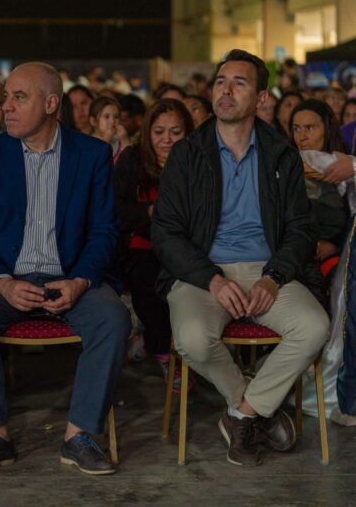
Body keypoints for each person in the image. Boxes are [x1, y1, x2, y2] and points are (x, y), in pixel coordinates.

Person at [0, 62, 130, 476]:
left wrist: (81, 281)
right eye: (4, 98)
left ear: (51, 103)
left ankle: (79, 435)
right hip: (7, 279)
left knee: (113, 316)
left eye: (18, 97)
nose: (5, 107)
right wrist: (4, 282)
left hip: (69, 276)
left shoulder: (92, 154)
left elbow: (104, 232)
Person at [151, 49, 329, 467]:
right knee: (192, 338)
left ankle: (243, 414)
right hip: (202, 274)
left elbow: (301, 229)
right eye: (220, 82)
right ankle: (251, 401)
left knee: (314, 326)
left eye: (239, 83)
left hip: (268, 271)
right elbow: (166, 231)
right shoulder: (188, 153)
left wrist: (273, 277)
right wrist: (211, 279)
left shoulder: (280, 154)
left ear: (262, 97)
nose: (226, 91)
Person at [114, 99, 192, 384]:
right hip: (141, 246)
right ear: (148, 133)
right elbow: (115, 211)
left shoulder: (196, 161)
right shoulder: (132, 159)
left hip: (187, 247)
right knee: (149, 284)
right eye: (159, 132)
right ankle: (163, 355)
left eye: (175, 132)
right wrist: (148, 212)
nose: (166, 140)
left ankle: (187, 351)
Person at [289, 99, 348, 287]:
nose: (302, 136)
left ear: (327, 129)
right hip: (295, 255)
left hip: (339, 256)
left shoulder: (346, 167)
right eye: (296, 129)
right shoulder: (285, 166)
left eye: (310, 128)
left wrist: (335, 245)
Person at [88, 96, 129, 163]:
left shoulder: (119, 141)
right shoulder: (88, 143)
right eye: (106, 117)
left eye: (116, 117)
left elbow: (131, 162)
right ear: (93, 121)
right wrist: (106, 141)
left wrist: (125, 140)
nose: (112, 121)